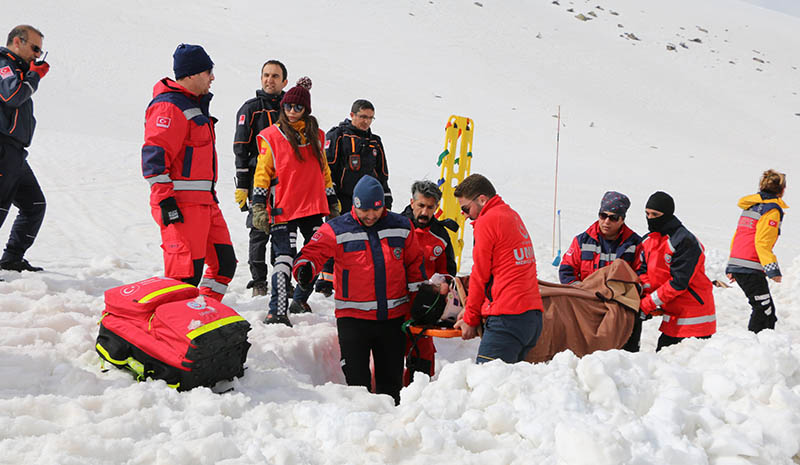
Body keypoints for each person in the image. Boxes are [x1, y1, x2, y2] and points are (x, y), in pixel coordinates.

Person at [292, 175, 425, 404]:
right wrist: (304, 268)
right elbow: (312, 252)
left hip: (392, 321)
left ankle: (389, 432)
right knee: (357, 386)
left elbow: (414, 265)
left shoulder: (401, 226)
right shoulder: (336, 228)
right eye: (365, 211)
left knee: (390, 386)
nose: (371, 216)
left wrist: (418, 304)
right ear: (355, 205)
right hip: (353, 322)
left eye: (377, 210)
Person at [141, 44, 236, 301]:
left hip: (205, 203)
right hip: (180, 206)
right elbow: (154, 158)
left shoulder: (192, 105)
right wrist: (165, 201)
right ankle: (170, 330)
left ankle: (200, 314)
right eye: (208, 72)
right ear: (192, 74)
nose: (212, 77)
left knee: (224, 264)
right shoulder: (169, 107)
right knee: (184, 278)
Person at [250, 77, 337, 326]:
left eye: (297, 108)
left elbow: (324, 171)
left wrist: (331, 202)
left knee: (317, 253)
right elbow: (262, 173)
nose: (291, 112)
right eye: (288, 107)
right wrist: (258, 205)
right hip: (283, 207)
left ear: (306, 110)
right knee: (283, 258)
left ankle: (299, 298)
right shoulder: (271, 135)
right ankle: (276, 310)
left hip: (312, 206)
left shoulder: (317, 136)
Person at [453, 174, 544, 364]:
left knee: (487, 386)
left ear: (482, 199)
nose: (465, 214)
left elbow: (480, 275)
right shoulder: (510, 215)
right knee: (511, 389)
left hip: (506, 319)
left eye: (466, 208)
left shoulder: (487, 221)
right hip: (531, 318)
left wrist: (470, 319)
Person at [313, 99, 392, 296]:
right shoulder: (338, 136)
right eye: (362, 116)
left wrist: (386, 198)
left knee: (362, 241)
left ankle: (357, 278)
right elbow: (327, 170)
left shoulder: (375, 141)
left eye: (370, 118)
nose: (366, 121)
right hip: (342, 198)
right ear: (352, 115)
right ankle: (325, 281)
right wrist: (330, 198)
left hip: (367, 203)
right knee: (336, 238)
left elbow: (382, 173)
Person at [559, 191, 644, 352]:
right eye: (603, 215)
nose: (606, 221)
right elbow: (566, 270)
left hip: (622, 310)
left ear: (622, 219)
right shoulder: (582, 240)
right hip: (588, 307)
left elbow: (642, 275)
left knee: (625, 358)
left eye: (613, 217)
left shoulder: (635, 244)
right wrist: (581, 291)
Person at [233, 60, 288, 297]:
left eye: (275, 76)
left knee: (283, 232)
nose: (270, 80)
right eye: (266, 75)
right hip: (258, 182)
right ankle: (258, 282)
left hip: (286, 184)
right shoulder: (250, 109)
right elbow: (240, 150)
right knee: (258, 232)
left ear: (284, 81)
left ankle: (282, 279)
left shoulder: (292, 108)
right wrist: (243, 186)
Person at [638, 191, 715, 351]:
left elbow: (679, 282)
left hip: (694, 318)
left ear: (667, 214)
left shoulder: (684, 241)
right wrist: (646, 296)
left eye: (655, 214)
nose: (650, 218)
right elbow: (645, 273)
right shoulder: (649, 240)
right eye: (647, 213)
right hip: (673, 315)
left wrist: (647, 304)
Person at [0, 25, 49, 272]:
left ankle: (11, 259)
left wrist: (31, 74)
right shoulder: (3, 64)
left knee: (34, 205)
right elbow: (12, 96)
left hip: (16, 151)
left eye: (40, 50)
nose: (38, 55)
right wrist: (35, 76)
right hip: (2, 148)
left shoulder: (20, 70)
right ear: (18, 42)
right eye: (34, 48)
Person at [401, 180, 458, 382]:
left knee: (423, 356)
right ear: (412, 203)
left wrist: (443, 285)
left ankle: (419, 396)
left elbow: (448, 270)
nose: (425, 212)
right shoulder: (397, 226)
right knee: (391, 355)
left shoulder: (440, 235)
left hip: (425, 308)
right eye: (421, 206)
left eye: (430, 207)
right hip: (395, 305)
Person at [726, 170, 787, 333]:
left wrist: (732, 266)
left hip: (741, 264)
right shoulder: (771, 211)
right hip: (750, 266)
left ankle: (758, 347)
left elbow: (739, 236)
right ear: (782, 190)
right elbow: (762, 242)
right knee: (764, 312)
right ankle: (755, 348)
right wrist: (772, 270)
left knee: (764, 310)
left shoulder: (751, 206)